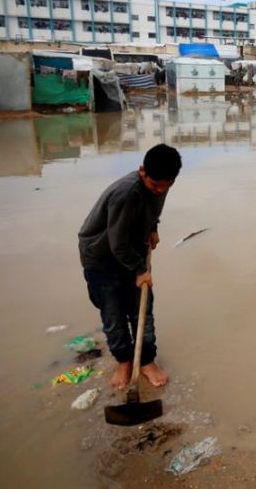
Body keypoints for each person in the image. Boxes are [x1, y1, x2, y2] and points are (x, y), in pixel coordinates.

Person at [78, 144, 182, 390]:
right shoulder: (126, 193)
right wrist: (140, 270)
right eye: (154, 184)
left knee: (142, 312)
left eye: (164, 186)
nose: (159, 190)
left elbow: (151, 208)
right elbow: (117, 243)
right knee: (113, 315)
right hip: (102, 257)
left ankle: (146, 361)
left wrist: (153, 227)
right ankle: (124, 361)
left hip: (131, 251)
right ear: (141, 171)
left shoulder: (161, 185)